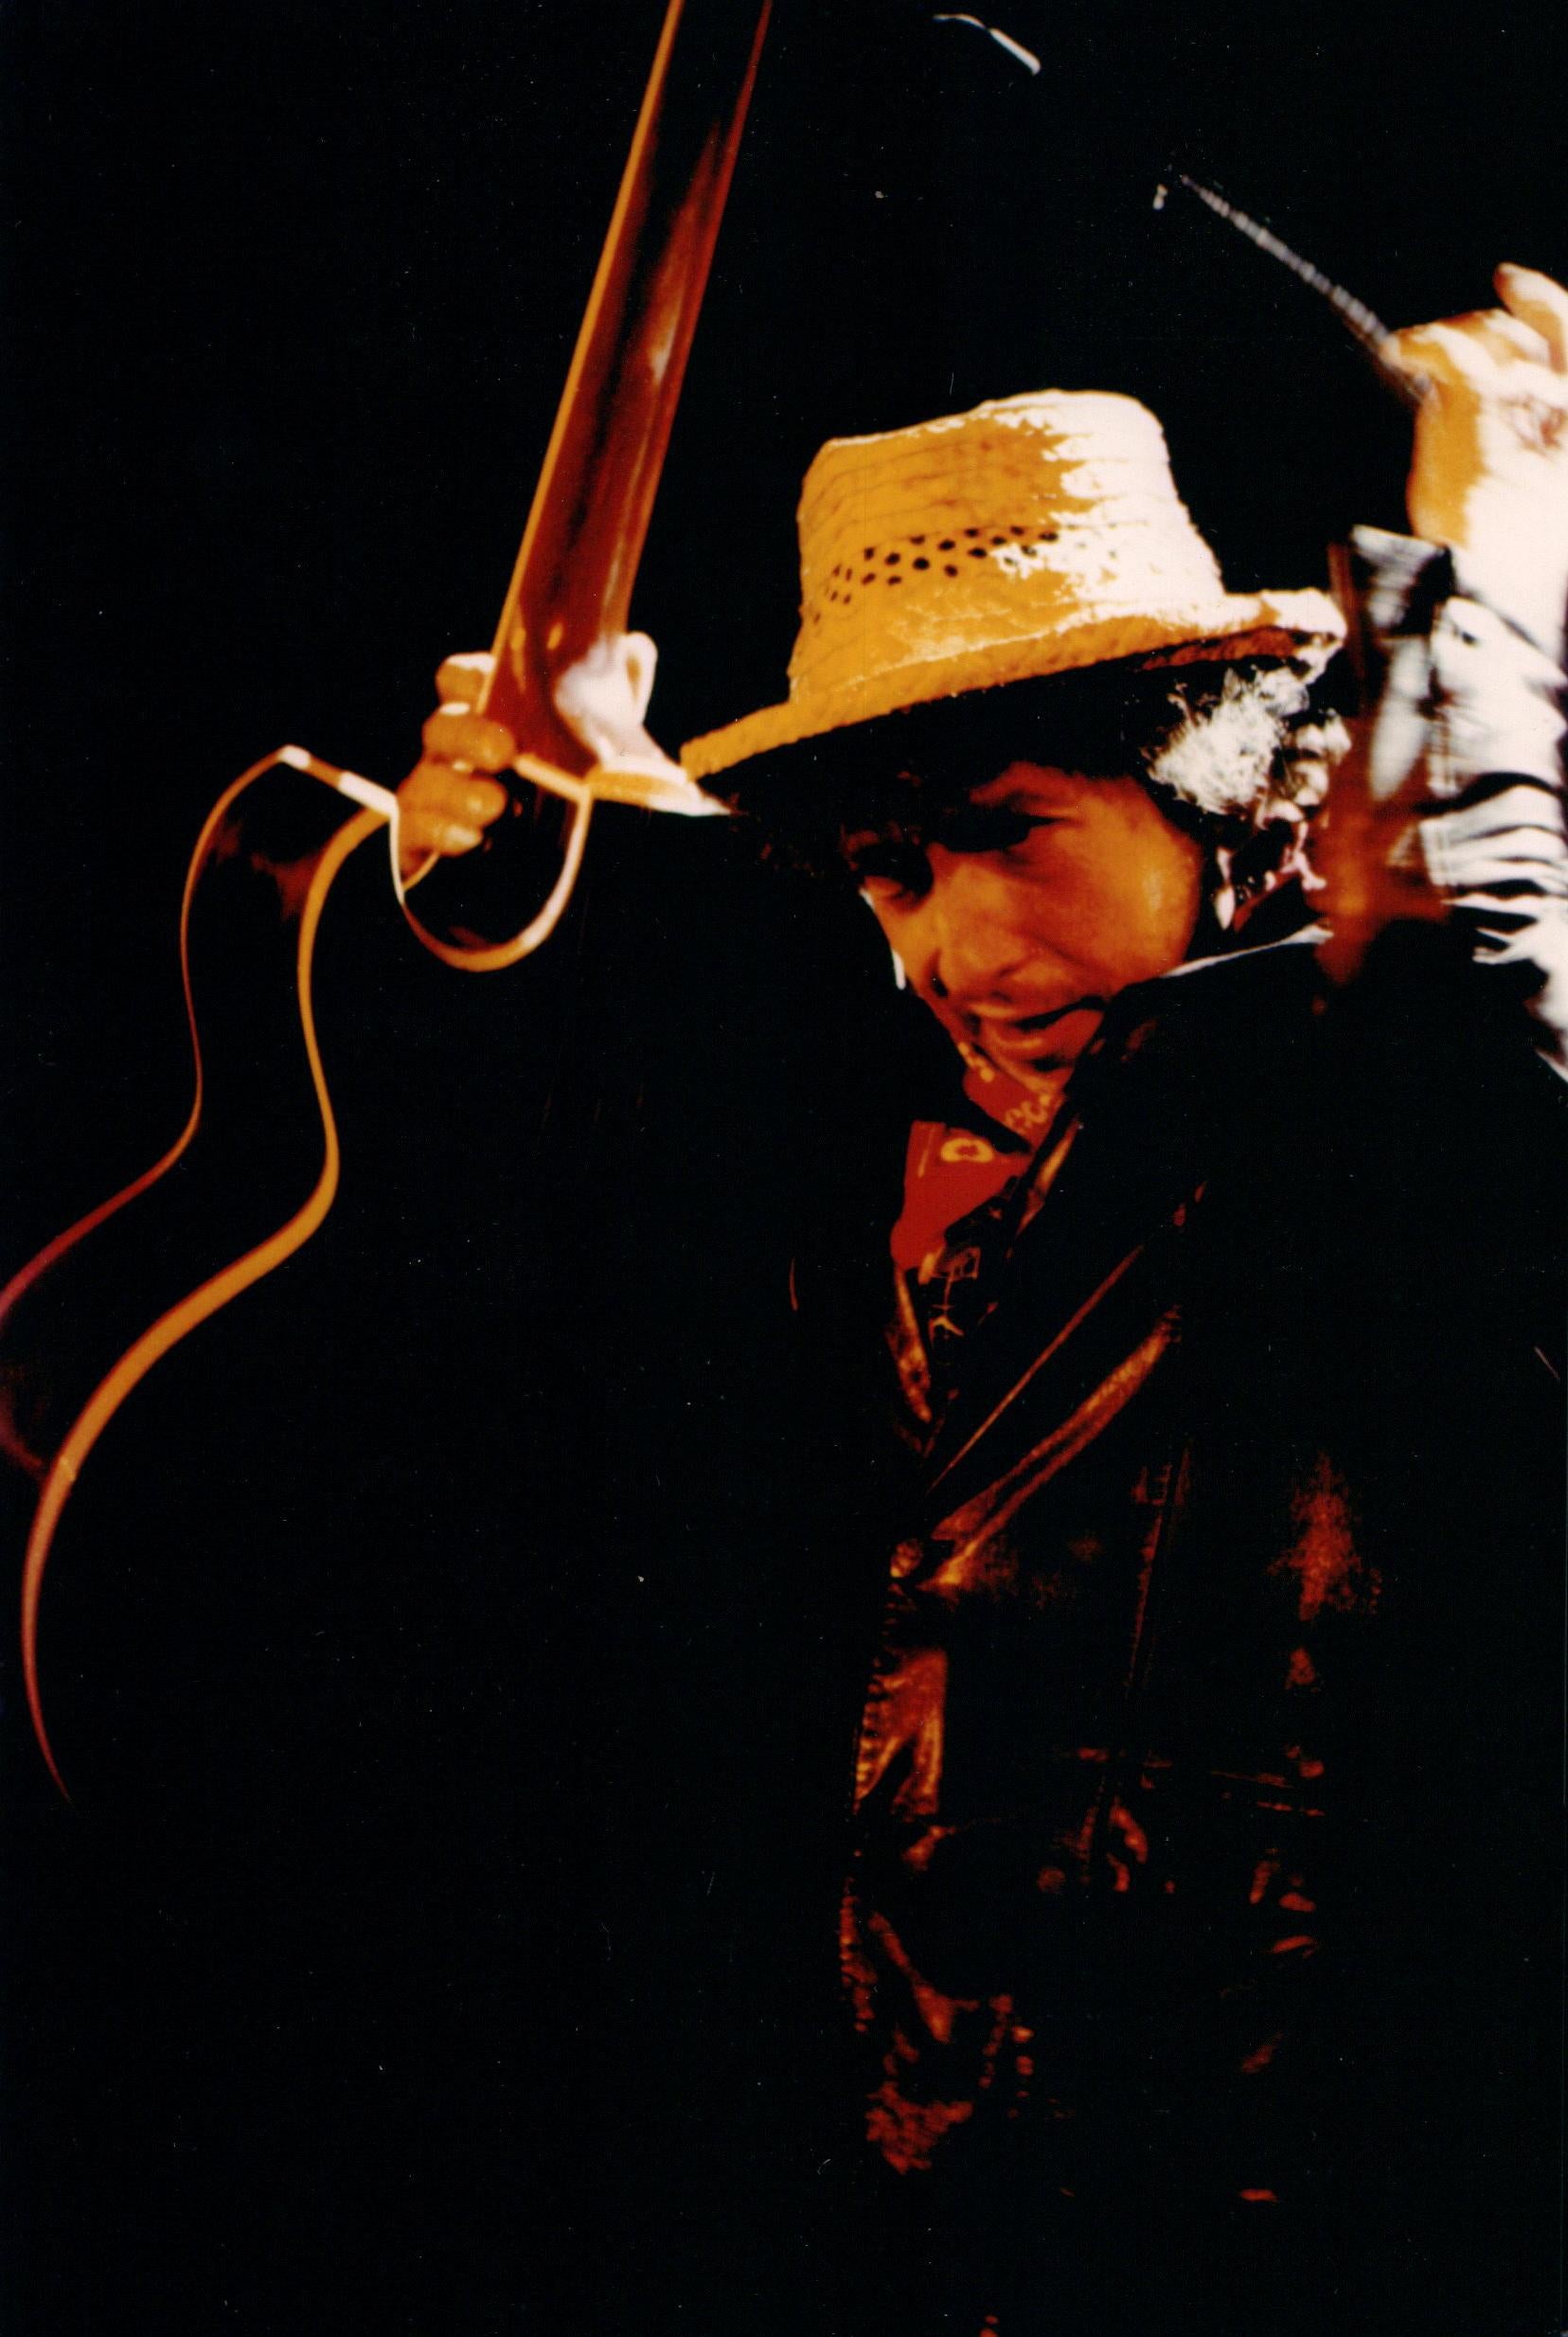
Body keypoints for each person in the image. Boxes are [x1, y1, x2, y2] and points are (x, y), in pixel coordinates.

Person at [400, 269, 1568, 2334]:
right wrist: (545, 836)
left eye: (1012, 837)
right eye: (888, 874)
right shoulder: (911, 1150)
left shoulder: (1347, 1104)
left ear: (1221, 799)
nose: (947, 943)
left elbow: (1473, 980)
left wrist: (1475, 582)